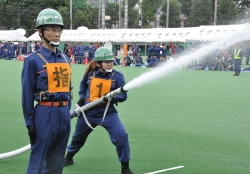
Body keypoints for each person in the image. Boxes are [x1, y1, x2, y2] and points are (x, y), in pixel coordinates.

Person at [64, 47, 134, 174]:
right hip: (88, 113)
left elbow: (123, 96)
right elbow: (83, 85)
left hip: (108, 113)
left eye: (111, 61)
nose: (109, 64)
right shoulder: (90, 73)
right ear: (98, 63)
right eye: (106, 62)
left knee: (121, 136)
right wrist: (82, 98)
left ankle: (125, 168)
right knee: (78, 137)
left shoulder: (117, 77)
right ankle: (68, 158)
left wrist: (111, 99)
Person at [21, 8, 72, 174]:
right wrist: (30, 123)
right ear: (40, 32)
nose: (57, 34)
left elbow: (67, 88)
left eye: (59, 30)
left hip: (64, 113)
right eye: (51, 30)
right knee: (38, 158)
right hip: (44, 113)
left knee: (57, 160)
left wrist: (67, 111)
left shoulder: (65, 59)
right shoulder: (32, 61)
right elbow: (27, 95)